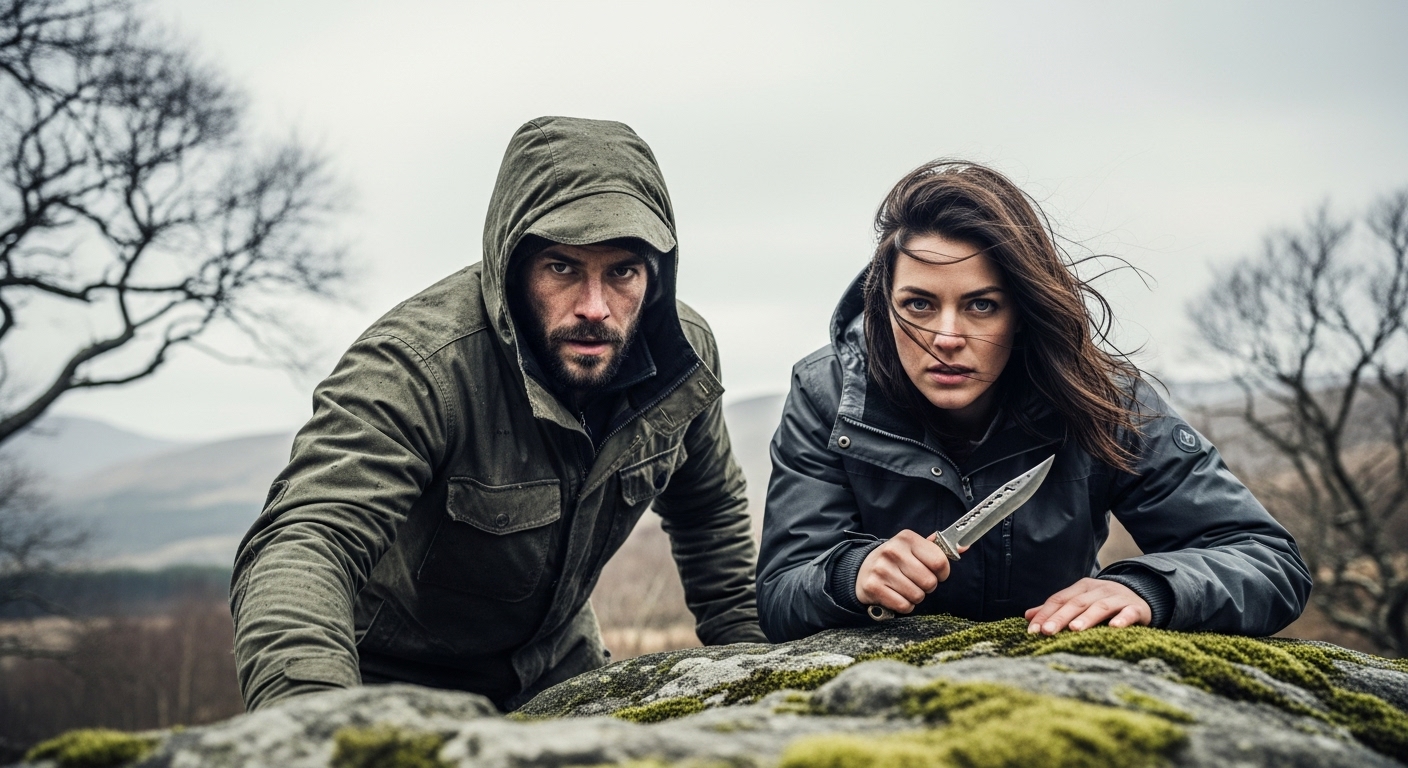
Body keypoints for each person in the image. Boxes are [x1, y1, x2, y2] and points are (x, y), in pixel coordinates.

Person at [230, 116, 767, 712]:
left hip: (561, 674)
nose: (595, 308)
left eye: (622, 271)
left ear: (655, 274)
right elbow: (307, 540)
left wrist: (755, 675)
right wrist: (312, 724)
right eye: (562, 267)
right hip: (390, 682)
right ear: (513, 266)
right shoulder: (415, 367)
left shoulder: (678, 356)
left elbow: (709, 511)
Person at [756, 160, 1311, 642]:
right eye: (919, 305)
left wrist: (1148, 590)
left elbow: (1268, 561)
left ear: (1021, 312)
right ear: (884, 306)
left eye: (981, 306)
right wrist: (848, 576)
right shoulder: (829, 394)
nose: (947, 336)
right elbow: (781, 595)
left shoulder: (1102, 399)